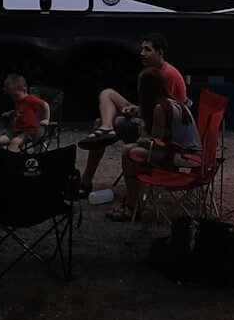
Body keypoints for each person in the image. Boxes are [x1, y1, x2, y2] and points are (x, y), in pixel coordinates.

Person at [79, 32, 188, 197]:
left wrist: (139, 113)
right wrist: (136, 109)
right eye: (142, 49)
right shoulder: (152, 70)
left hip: (162, 131)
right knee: (107, 93)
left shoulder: (167, 75)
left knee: (97, 123)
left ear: (160, 53)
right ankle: (107, 127)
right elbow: (153, 107)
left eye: (147, 49)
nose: (142, 53)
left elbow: (163, 112)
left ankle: (86, 182)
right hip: (147, 116)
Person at [105, 68, 198, 222]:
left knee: (129, 153)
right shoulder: (172, 103)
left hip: (185, 156)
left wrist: (142, 134)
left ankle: (133, 205)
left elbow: (155, 144)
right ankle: (132, 202)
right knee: (129, 150)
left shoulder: (161, 108)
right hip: (185, 152)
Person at [0, 73, 49, 151]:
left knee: (15, 142)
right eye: (11, 96)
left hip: (28, 131)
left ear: (24, 90)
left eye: (15, 95)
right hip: (15, 130)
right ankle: (0, 157)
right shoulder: (19, 101)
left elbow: (45, 105)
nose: (13, 98)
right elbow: (20, 110)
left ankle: (10, 161)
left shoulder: (31, 99)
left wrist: (46, 119)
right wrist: (10, 113)